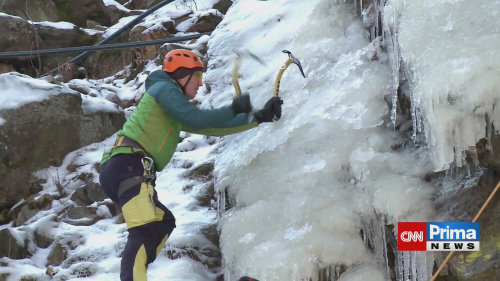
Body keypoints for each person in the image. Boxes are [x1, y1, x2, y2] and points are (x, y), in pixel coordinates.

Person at [99, 49, 282, 281]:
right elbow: (197, 118)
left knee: (162, 221)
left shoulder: (172, 106)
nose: (200, 83)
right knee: (144, 230)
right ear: (181, 75)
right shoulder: (164, 88)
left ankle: (137, 272)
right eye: (197, 77)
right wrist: (235, 108)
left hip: (125, 168)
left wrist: (259, 117)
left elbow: (210, 127)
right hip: (129, 165)